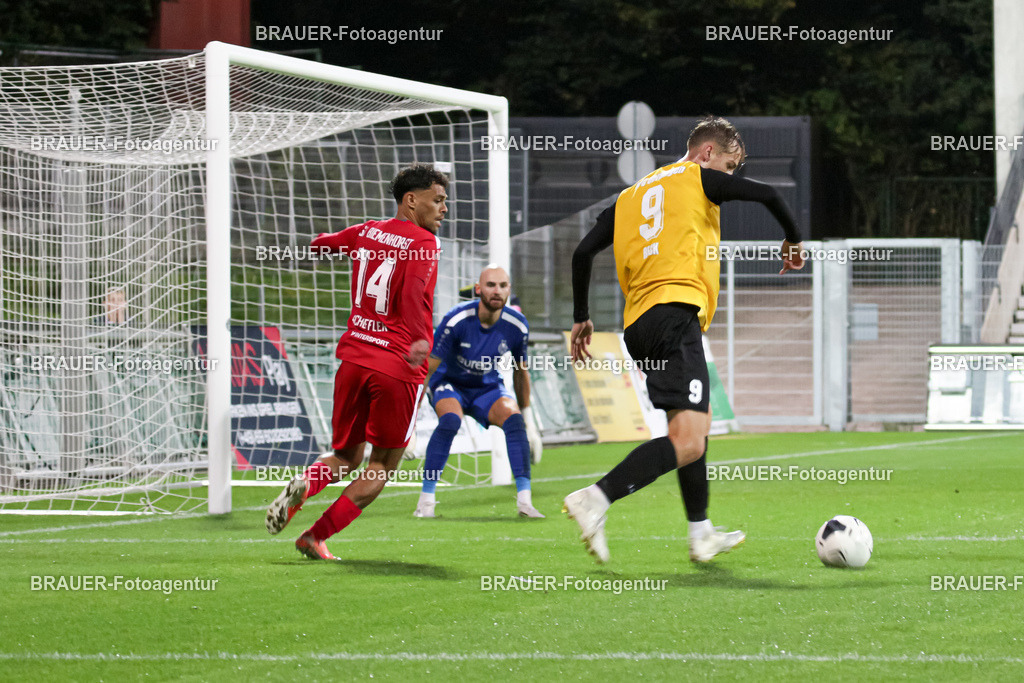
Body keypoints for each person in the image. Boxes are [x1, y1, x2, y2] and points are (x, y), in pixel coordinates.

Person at [563, 116, 805, 564]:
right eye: (729, 166)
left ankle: (701, 532)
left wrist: (582, 316)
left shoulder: (629, 196)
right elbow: (770, 194)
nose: (728, 177)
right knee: (689, 440)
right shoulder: (698, 177)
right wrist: (793, 241)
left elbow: (582, 252)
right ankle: (596, 497)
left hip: (639, 326)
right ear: (707, 153)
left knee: (696, 425)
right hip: (676, 314)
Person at [265, 163, 447, 561]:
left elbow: (320, 245)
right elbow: (416, 293)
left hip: (353, 359)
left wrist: (325, 243)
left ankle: (307, 484)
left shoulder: (366, 231)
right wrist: (419, 339)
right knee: (380, 465)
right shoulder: (425, 243)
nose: (443, 208)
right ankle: (315, 536)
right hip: (397, 365)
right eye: (437, 200)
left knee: (346, 455)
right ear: (411, 200)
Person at [414, 265, 544, 518]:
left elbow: (521, 372)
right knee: (451, 420)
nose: (497, 291)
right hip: (449, 383)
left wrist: (530, 422)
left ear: (509, 291)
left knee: (514, 421)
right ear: (478, 289)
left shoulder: (517, 326)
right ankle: (425, 502)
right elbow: (426, 372)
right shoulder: (456, 320)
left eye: (503, 286)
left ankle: (525, 503)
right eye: (490, 285)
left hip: (486, 387)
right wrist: (411, 426)